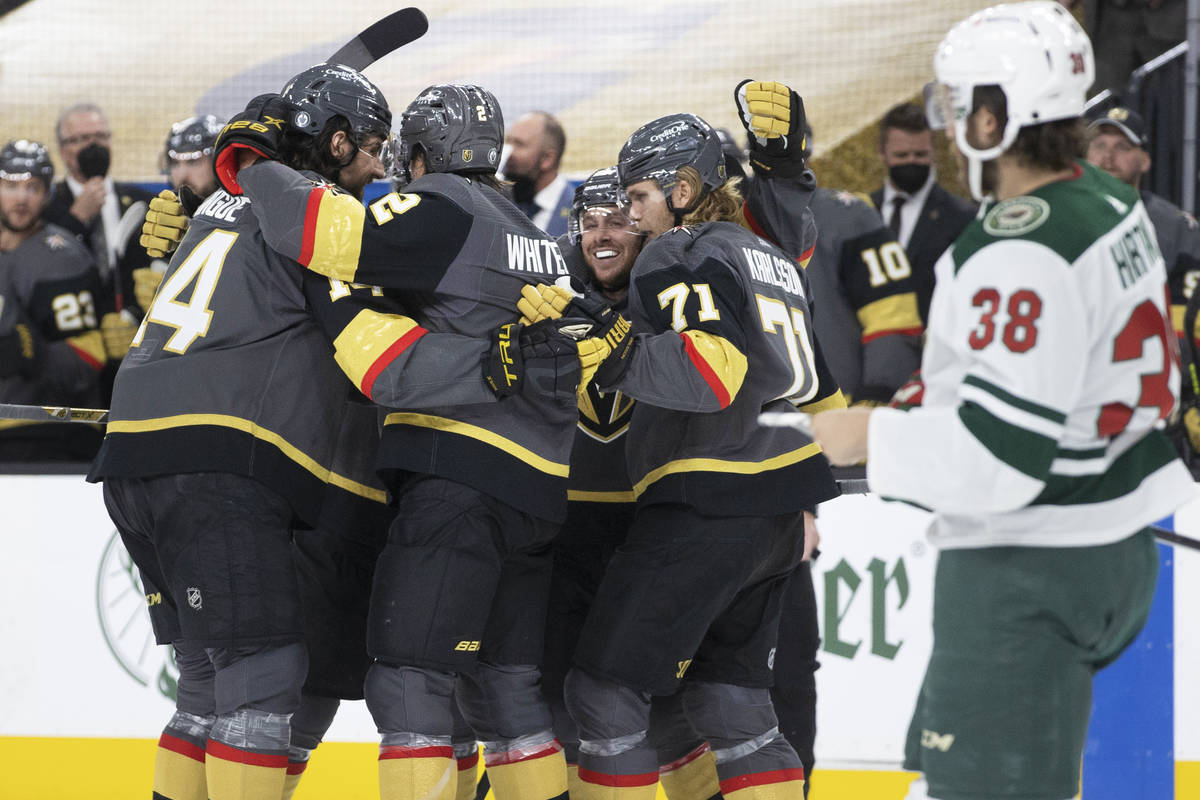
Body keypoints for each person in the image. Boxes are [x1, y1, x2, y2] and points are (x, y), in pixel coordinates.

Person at [88, 65, 573, 800]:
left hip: (135, 454)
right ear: (337, 141)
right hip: (224, 459)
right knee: (268, 678)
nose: (380, 166)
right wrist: (491, 365)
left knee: (210, 688)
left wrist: (224, 183)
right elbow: (383, 361)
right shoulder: (311, 222)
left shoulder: (226, 207)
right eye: (372, 145)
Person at [810, 4, 1195, 799]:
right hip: (1115, 549)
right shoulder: (1107, 200)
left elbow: (999, 461)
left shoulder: (1015, 251)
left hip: (1030, 567)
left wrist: (864, 438)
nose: (949, 125)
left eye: (959, 104)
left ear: (996, 114)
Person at [220, 82, 585, 800]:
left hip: (459, 480)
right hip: (540, 496)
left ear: (423, 155)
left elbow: (331, 239)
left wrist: (254, 165)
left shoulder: (441, 203)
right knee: (508, 699)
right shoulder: (536, 236)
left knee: (410, 686)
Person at [522, 107, 843, 799]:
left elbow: (710, 372)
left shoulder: (680, 249)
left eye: (638, 199)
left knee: (603, 694)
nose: (631, 220)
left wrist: (611, 349)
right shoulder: (768, 257)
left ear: (686, 188)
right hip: (779, 505)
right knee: (736, 709)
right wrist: (783, 167)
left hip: (706, 495)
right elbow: (823, 392)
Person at [0, 138, 107, 461]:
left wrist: (25, 347)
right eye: (11, 185)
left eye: (33, 187)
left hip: (52, 430)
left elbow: (86, 363)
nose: (22, 198)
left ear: (47, 193)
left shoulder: (63, 258)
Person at [43, 103, 156, 374]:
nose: (93, 146)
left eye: (100, 137)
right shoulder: (46, 210)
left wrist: (134, 317)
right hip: (72, 355)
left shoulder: (144, 203)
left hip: (136, 353)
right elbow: (40, 266)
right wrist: (76, 220)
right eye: (81, 139)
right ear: (62, 150)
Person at [1086, 106, 1200, 342]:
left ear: (1145, 161)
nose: (1108, 157)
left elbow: (1190, 318)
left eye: (1122, 147)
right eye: (1099, 145)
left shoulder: (1174, 228)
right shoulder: (1063, 215)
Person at [870, 103, 975, 323]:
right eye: (901, 155)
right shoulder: (864, 211)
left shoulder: (961, 217)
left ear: (933, 152)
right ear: (882, 152)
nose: (911, 162)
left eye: (920, 154)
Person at [502, 110, 575, 235]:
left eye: (519, 144)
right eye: (508, 141)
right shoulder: (499, 201)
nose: (507, 152)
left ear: (547, 159)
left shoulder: (577, 214)